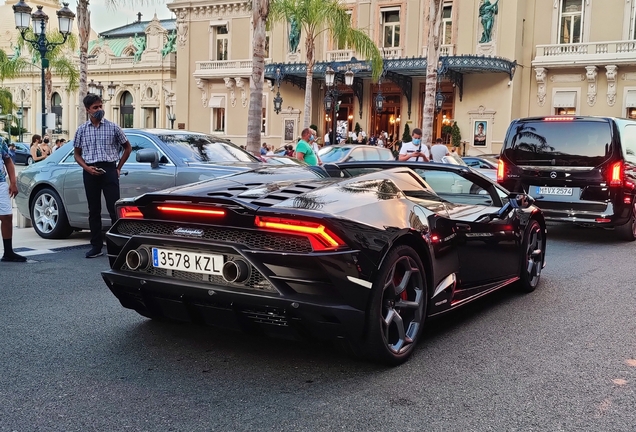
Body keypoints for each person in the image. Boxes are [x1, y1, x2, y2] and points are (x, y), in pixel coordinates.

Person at [74, 93, 132, 258]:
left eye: (100, 106)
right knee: (94, 210)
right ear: (88, 110)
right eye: (95, 107)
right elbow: (77, 154)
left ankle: (117, 245)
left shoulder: (113, 127)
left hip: (109, 169)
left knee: (114, 208)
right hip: (90, 171)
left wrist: (118, 168)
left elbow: (127, 148)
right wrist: (87, 168)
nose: (99, 109)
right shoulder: (82, 130)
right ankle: (96, 246)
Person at [0, 138, 26, 262]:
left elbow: (8, 160)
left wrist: (13, 182)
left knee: (6, 216)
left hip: (0, 183)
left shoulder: (0, 141)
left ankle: (8, 252)